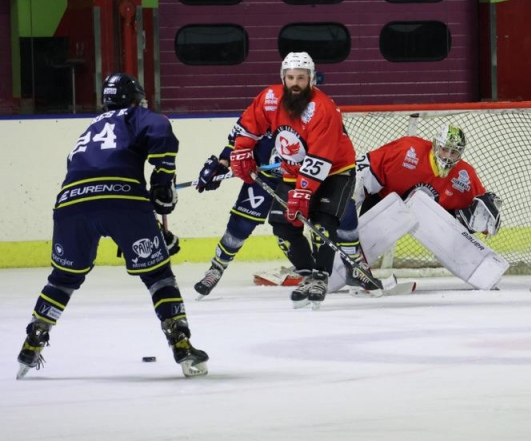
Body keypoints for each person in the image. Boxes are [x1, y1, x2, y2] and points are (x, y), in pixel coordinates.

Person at [16, 73, 208, 379]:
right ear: (135, 98)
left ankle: (33, 341)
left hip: (71, 204)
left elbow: (82, 169)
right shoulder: (137, 115)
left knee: (62, 280)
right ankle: (180, 342)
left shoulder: (90, 128)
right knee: (158, 274)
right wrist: (161, 182)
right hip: (123, 200)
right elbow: (161, 130)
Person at [228, 52, 357, 309]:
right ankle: (309, 274)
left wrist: (303, 191)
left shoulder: (323, 107)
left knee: (321, 223)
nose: (295, 83)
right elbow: (250, 123)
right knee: (282, 224)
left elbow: (321, 154)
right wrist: (242, 148)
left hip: (335, 172)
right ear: (283, 78)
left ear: (311, 79)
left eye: (301, 77)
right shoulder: (271, 98)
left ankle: (322, 276)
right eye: (290, 77)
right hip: (293, 172)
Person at [192, 127, 373, 297]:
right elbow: (241, 135)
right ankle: (217, 267)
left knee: (340, 211)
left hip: (306, 175)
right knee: (243, 223)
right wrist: (223, 162)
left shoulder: (316, 109)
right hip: (266, 177)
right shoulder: (265, 105)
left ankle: (354, 264)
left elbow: (333, 143)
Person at [352, 125, 505, 290]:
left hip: (424, 218)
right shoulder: (408, 149)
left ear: (460, 154)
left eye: (453, 152)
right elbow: (366, 167)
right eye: (445, 149)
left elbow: (481, 217)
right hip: (384, 200)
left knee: (445, 216)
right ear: (435, 145)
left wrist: (487, 223)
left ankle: (481, 271)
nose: (447, 157)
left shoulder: (465, 177)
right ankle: (350, 267)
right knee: (366, 229)